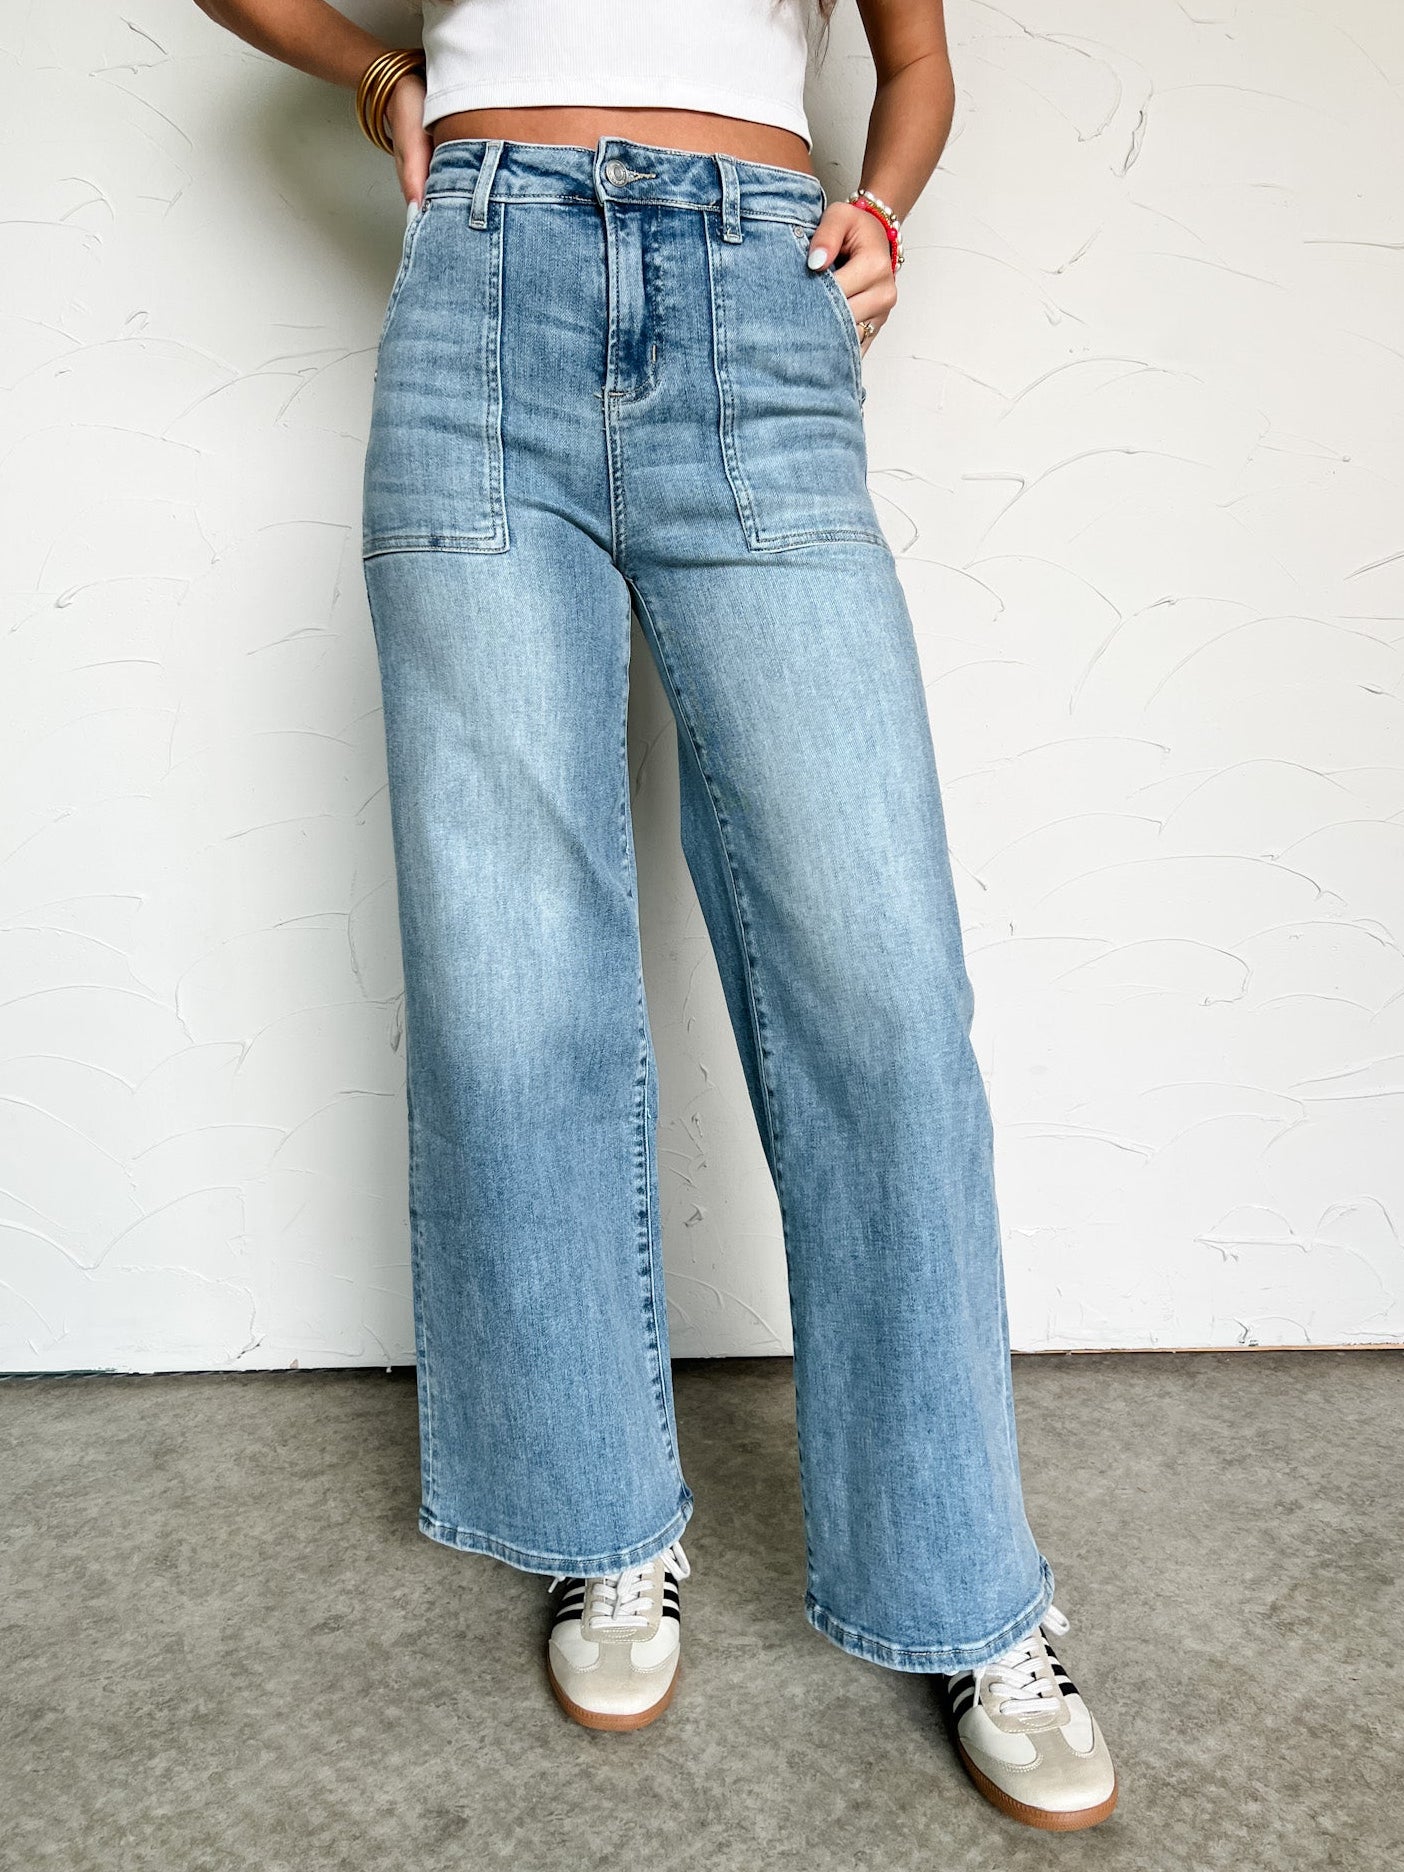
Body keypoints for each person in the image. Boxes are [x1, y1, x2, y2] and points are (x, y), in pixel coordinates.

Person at [193, 0, 1117, 1831]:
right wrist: (383, 77)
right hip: (478, 306)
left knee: (877, 989)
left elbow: (915, 63)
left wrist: (888, 204)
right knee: (511, 979)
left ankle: (965, 1589)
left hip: (753, 306)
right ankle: (603, 1520)